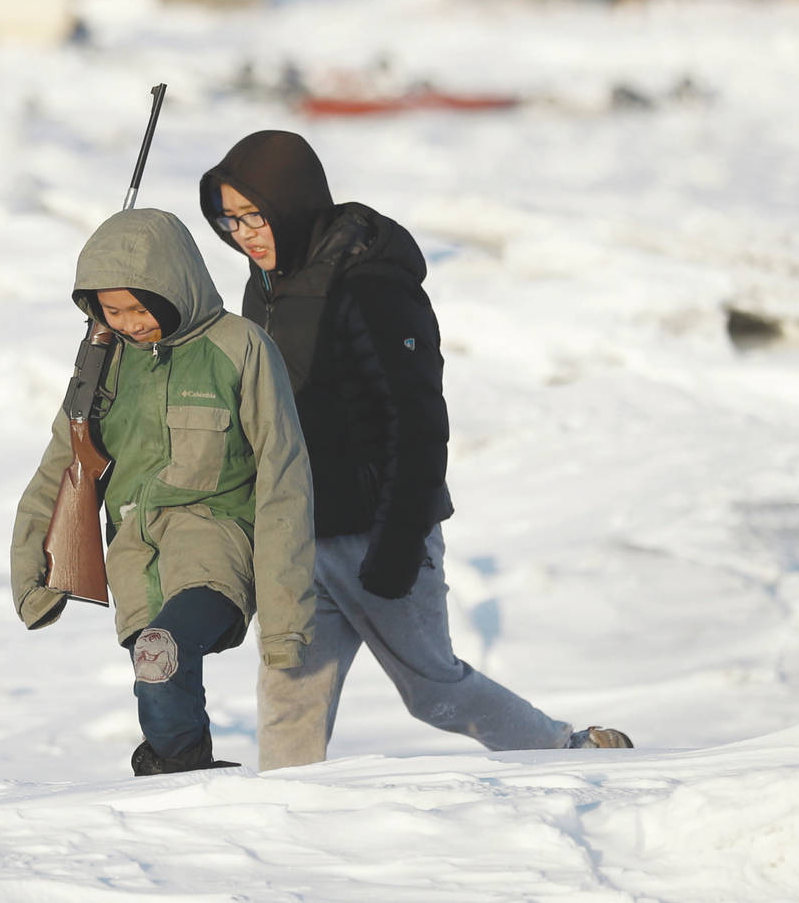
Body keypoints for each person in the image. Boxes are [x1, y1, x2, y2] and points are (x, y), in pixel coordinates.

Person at [198, 130, 631, 769]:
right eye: (228, 220)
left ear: (289, 203)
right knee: (289, 697)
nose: (242, 233)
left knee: (433, 691)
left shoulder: (370, 284)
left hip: (376, 531)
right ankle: (283, 829)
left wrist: (399, 541)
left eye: (254, 216)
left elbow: (419, 419)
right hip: (297, 534)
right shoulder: (264, 287)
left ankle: (570, 751)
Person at [11, 208, 316, 775]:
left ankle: (180, 775)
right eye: (112, 310)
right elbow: (58, 468)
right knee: (156, 678)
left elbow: (284, 479)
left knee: (163, 651)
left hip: (216, 544)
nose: (128, 322)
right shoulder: (101, 367)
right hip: (132, 555)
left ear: (172, 285)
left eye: (137, 306)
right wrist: (34, 573)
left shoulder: (239, 347)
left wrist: (284, 622)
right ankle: (184, 781)